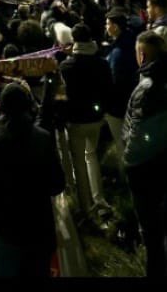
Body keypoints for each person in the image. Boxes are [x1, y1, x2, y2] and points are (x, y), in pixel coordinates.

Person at [122, 31, 167, 278]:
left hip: (148, 170)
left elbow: (139, 133)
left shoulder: (147, 88)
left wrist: (129, 163)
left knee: (152, 233)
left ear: (141, 55)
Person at [0, 81, 65, 278]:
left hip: (7, 236)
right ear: (27, 106)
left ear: (2, 108)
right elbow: (58, 184)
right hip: (40, 231)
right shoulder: (43, 138)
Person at [59, 23, 113, 223]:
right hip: (96, 119)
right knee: (92, 157)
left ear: (73, 41)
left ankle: (87, 208)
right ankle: (99, 198)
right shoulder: (101, 63)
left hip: (75, 121)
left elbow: (61, 95)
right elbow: (109, 88)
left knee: (79, 164)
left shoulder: (66, 66)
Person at [103, 8, 139, 163]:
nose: (106, 27)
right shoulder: (132, 40)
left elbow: (116, 81)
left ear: (116, 27)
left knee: (123, 143)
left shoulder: (118, 53)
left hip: (119, 106)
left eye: (107, 24)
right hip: (133, 100)